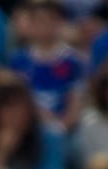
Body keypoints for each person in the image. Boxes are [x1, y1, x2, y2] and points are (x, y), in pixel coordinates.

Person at [7, 0, 88, 130]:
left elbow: (76, 101)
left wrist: (61, 128)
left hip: (63, 127)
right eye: (38, 21)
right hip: (28, 129)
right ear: (31, 24)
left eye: (50, 20)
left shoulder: (74, 60)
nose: (44, 26)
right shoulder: (18, 60)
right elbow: (16, 100)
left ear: (59, 22)